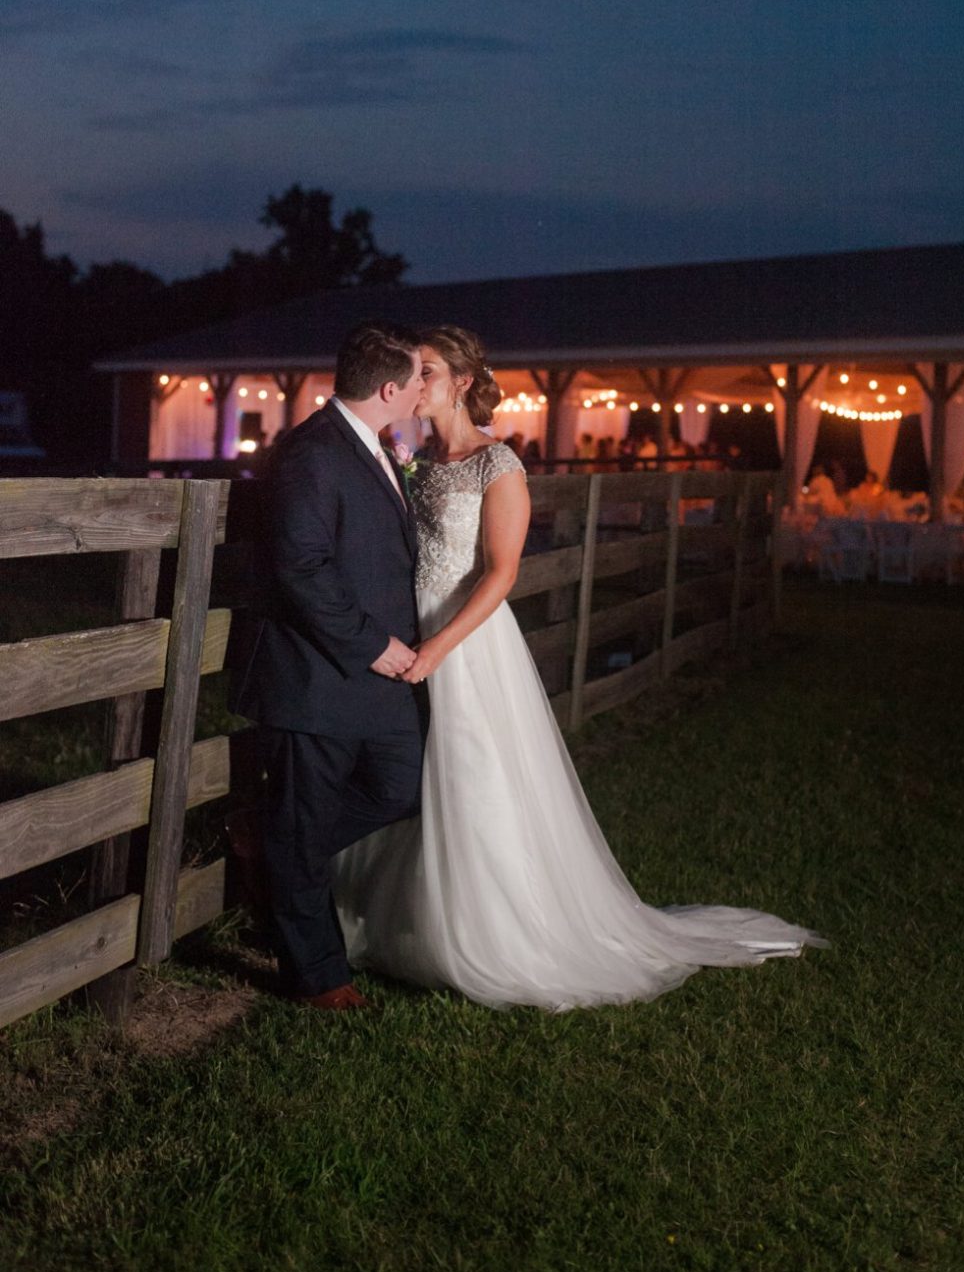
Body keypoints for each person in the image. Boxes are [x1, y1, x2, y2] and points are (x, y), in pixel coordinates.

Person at [332, 326, 824, 1011]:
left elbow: (502, 574)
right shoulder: (411, 459)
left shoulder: (496, 464)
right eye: (414, 371)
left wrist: (439, 648)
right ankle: (399, 915)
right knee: (409, 772)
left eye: (430, 371)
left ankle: (490, 935)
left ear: (464, 382)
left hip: (464, 644)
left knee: (471, 773)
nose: (418, 383)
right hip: (407, 638)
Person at [230, 321, 427, 1011]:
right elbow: (301, 566)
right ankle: (318, 978)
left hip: (375, 681)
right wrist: (371, 642)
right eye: (419, 379)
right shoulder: (313, 454)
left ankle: (268, 842)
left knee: (403, 787)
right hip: (315, 675)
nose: (425, 390)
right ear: (390, 387)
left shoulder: (375, 446)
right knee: (304, 827)